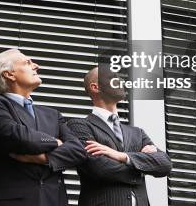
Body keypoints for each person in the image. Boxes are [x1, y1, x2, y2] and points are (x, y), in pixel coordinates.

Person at [0, 48, 86, 206]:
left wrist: (46, 158)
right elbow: (20, 138)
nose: (36, 66)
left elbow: (78, 150)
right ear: (9, 74)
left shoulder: (53, 114)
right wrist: (57, 142)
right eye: (27, 62)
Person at [68, 67, 172, 206]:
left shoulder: (137, 133)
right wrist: (142, 166)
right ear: (95, 87)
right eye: (113, 78)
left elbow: (165, 164)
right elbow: (99, 169)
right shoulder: (79, 126)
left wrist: (122, 156)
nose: (121, 81)